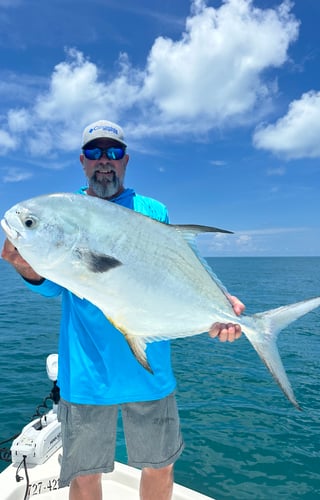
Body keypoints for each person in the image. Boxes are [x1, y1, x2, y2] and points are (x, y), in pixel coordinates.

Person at [1, 120, 245, 500]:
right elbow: (51, 286)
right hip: (85, 373)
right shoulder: (66, 212)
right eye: (95, 153)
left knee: (160, 469)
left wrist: (222, 305)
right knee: (83, 478)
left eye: (113, 152)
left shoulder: (151, 210)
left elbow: (178, 270)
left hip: (149, 369)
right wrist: (23, 262)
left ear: (125, 160)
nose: (104, 161)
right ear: (82, 161)